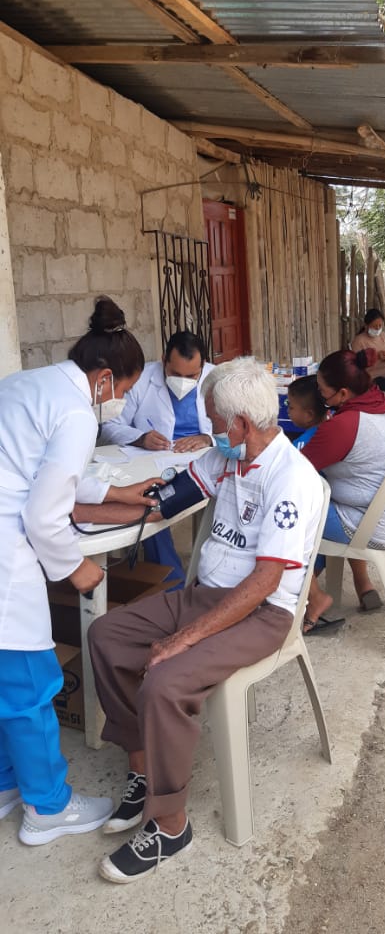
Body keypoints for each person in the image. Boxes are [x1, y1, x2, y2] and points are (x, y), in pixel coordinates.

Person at [87, 357, 324, 884]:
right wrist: (85, 511)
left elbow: (265, 582)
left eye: (215, 421)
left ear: (239, 424)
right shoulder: (225, 458)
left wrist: (183, 640)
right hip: (207, 596)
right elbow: (163, 503)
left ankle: (170, 825)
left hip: (262, 613)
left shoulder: (292, 479)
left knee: (165, 679)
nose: (210, 430)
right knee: (106, 634)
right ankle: (144, 769)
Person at [0, 296, 157, 847]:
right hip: (6, 556)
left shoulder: (29, 383)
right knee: (29, 683)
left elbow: (47, 471)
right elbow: (45, 513)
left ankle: (6, 783)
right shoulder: (74, 412)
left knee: (3, 682)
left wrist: (115, 491)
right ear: (105, 377)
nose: (120, 402)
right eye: (124, 391)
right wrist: (76, 567)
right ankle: (48, 808)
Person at [301, 348, 385, 630]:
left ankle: (310, 596)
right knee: (332, 496)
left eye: (322, 392)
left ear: (342, 394)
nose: (321, 397)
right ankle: (362, 582)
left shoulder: (343, 426)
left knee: (287, 511)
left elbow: (294, 471)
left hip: (370, 524)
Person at [100, 330, 215, 587]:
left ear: (203, 366)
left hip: (203, 461)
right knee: (151, 502)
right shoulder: (142, 380)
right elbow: (109, 426)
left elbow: (236, 428)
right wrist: (140, 438)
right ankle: (172, 583)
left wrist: (208, 438)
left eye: (191, 376)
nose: (183, 382)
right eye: (175, 374)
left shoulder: (217, 379)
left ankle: (211, 579)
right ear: (163, 360)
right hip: (154, 461)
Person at [351, 308, 385, 407]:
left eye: (380, 326)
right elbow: (357, 366)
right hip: (372, 377)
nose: (377, 329)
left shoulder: (383, 336)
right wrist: (376, 357)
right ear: (366, 325)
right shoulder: (359, 341)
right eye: (374, 326)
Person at [287, 375, 327, 451]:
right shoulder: (331, 431)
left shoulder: (301, 446)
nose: (288, 411)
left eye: (291, 407)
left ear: (309, 415)